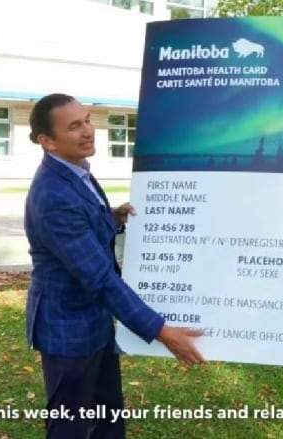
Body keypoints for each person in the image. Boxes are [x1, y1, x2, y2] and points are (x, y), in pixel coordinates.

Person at [24, 93, 205, 439]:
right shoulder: (53, 195)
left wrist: (112, 218)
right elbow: (101, 278)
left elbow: (83, 228)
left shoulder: (76, 172)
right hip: (67, 327)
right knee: (70, 424)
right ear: (47, 141)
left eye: (88, 120)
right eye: (74, 126)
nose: (88, 131)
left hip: (94, 321)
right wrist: (163, 332)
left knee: (108, 414)